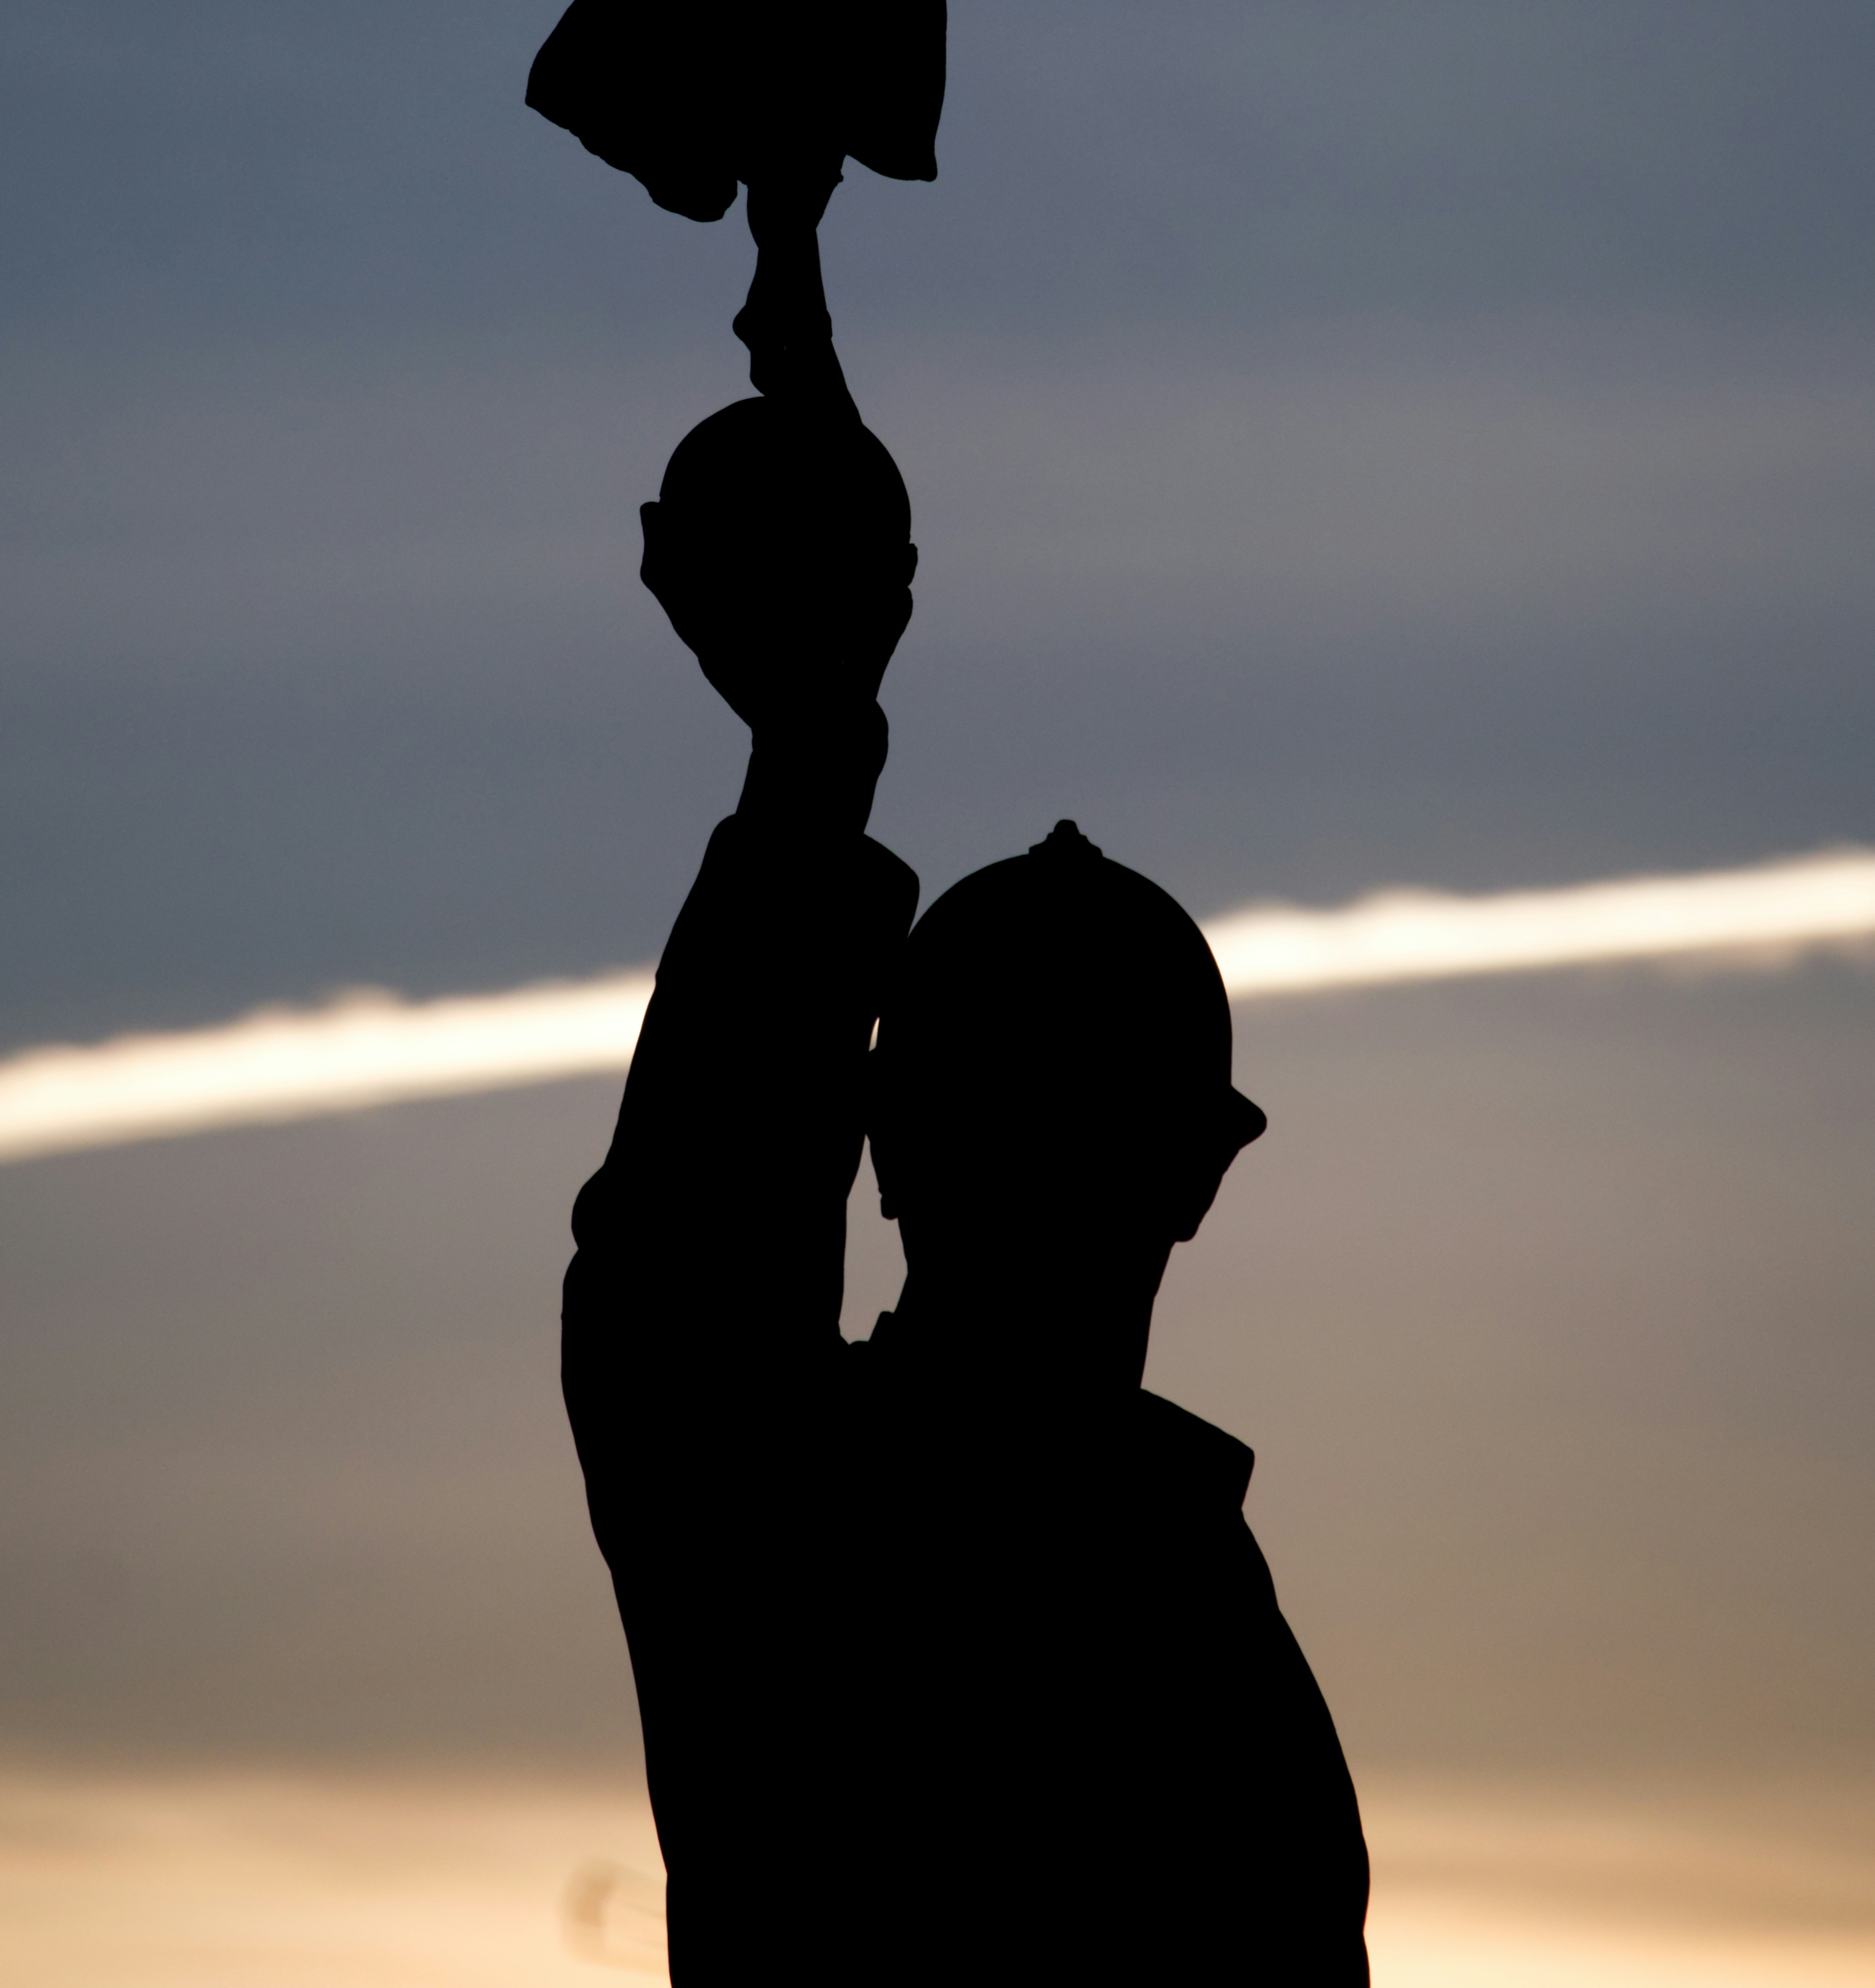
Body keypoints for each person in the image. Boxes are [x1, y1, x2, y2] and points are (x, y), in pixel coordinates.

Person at [562, 381, 1368, 1982]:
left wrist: (814, 748)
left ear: (882, 1148)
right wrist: (809, 753)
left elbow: (690, 1243)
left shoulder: (772, 1488)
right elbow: (691, 1244)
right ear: (1202, 1170)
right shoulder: (783, 1496)